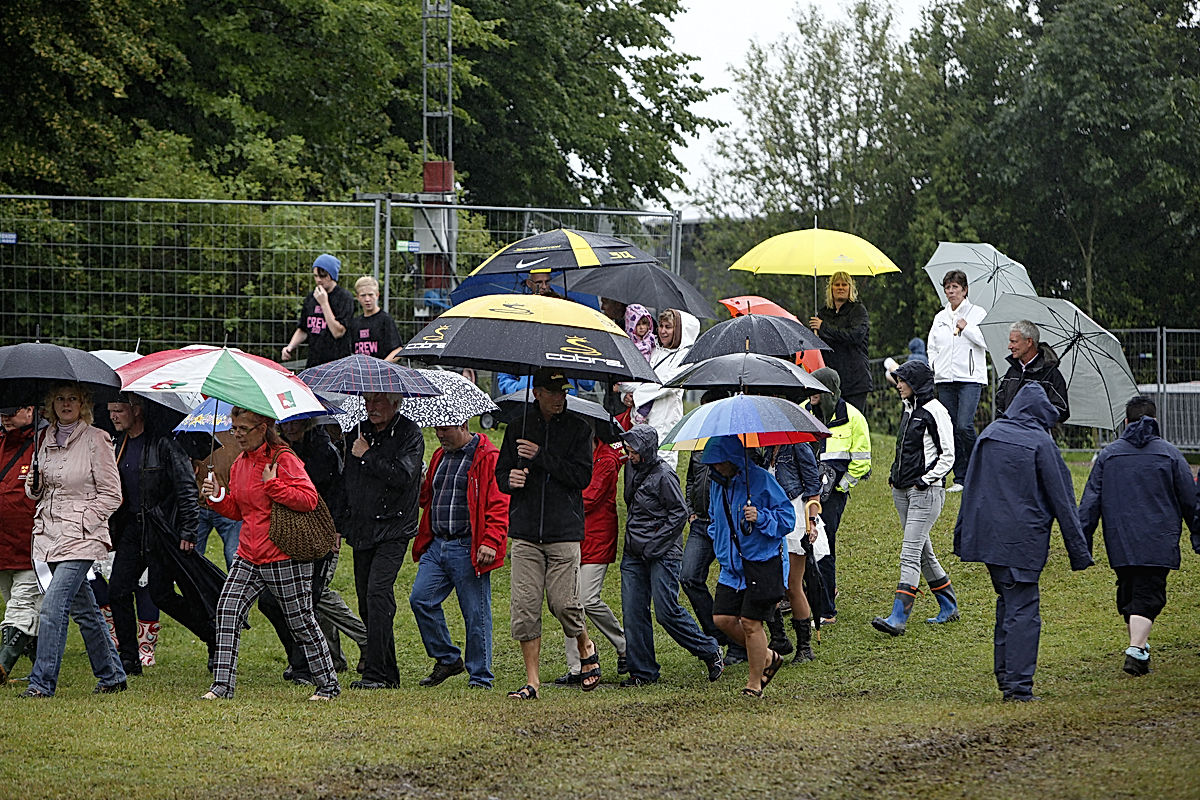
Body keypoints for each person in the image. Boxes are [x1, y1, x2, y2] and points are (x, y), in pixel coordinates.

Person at [954, 383, 1092, 701]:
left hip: (989, 541)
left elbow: (971, 489)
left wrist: (963, 537)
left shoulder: (989, 434)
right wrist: (1079, 552)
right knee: (1023, 610)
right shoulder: (1040, 441)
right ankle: (1017, 688)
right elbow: (1064, 499)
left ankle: (1007, 678)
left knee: (1007, 603)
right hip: (1022, 541)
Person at [200, 407, 339, 701]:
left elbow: (309, 499)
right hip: (248, 554)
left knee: (300, 620)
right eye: (234, 427)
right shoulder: (240, 463)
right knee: (227, 612)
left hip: (283, 554)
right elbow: (239, 510)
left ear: (262, 428)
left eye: (243, 428)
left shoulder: (284, 459)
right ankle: (222, 686)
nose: (236, 433)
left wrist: (273, 485)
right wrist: (217, 497)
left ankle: (328, 685)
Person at [495, 367, 600, 699]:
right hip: (525, 532)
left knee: (564, 604)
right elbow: (501, 473)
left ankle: (585, 645)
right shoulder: (517, 428)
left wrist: (541, 456)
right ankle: (532, 682)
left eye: (564, 392)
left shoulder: (579, 429)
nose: (560, 398)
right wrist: (510, 479)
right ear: (537, 393)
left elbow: (581, 476)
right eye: (553, 392)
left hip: (564, 531)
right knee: (525, 608)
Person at [1078, 395, 1200, 676]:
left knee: (1129, 593)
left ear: (1125, 422)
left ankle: (1139, 650)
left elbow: (1089, 504)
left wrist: (1082, 543)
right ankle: (1135, 651)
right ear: (1155, 421)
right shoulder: (1170, 454)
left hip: (1120, 539)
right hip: (1159, 539)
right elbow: (1190, 500)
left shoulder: (1108, 455)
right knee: (1148, 595)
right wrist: (1196, 534)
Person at [21, 383, 126, 698]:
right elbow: (37, 490)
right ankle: (112, 676)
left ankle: (41, 684)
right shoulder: (44, 440)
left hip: (81, 539)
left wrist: (84, 521)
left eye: (73, 399)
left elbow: (113, 494)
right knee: (86, 611)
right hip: (48, 537)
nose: (66, 404)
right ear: (51, 405)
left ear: (84, 404)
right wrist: (34, 486)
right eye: (60, 399)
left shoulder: (97, 439)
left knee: (53, 607)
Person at [107, 395, 222, 676]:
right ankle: (129, 660)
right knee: (118, 590)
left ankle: (213, 636)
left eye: (119, 410)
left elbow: (186, 487)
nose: (114, 417)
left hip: (162, 530)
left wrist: (188, 530)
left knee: (162, 594)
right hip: (132, 530)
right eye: (111, 411)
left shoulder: (166, 443)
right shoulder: (117, 444)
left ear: (137, 411)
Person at [618, 425, 723, 687]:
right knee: (633, 612)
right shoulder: (631, 468)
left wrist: (654, 544)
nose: (628, 455)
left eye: (633, 451)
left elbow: (678, 514)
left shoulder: (665, 475)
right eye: (627, 450)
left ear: (646, 450)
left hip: (663, 552)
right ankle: (643, 671)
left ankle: (709, 649)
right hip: (634, 551)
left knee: (666, 611)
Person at [409, 421, 509, 689]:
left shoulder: (488, 456)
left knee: (476, 613)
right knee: (421, 599)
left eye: (445, 430)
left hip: (468, 545)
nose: (439, 435)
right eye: (436, 430)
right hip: (438, 543)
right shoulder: (440, 456)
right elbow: (427, 498)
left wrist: (490, 541)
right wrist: (420, 484)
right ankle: (448, 658)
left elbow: (499, 503)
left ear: (463, 425)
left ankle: (480, 676)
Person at [341, 391, 424, 689]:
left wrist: (368, 455)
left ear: (395, 402)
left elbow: (403, 475)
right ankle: (388, 673)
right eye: (367, 401)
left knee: (378, 594)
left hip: (394, 528)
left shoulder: (409, 434)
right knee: (367, 601)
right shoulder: (358, 432)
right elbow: (348, 480)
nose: (371, 407)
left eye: (378, 401)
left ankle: (376, 673)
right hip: (362, 529)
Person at [871, 361, 959, 636]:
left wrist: (925, 480)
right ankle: (949, 606)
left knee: (909, 554)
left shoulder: (935, 411)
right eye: (898, 380)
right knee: (923, 554)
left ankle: (898, 618)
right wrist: (894, 475)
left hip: (925, 493)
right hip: (903, 491)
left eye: (903, 380)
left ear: (917, 383)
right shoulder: (909, 410)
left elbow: (948, 454)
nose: (898, 384)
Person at [703, 436, 795, 698]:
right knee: (721, 619)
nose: (716, 467)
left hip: (761, 564)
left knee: (751, 623)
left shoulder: (761, 480)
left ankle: (755, 684)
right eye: (713, 463)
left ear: (733, 459)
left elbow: (787, 519)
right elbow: (714, 518)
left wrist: (761, 517)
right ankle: (767, 655)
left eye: (720, 462)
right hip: (731, 568)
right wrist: (718, 539)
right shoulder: (716, 483)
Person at [277, 418, 366, 679]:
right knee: (313, 595)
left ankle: (365, 638)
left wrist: (336, 529)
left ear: (308, 424)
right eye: (285, 425)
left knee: (317, 592)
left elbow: (338, 494)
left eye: (296, 424)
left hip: (324, 531)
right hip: (297, 531)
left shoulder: (323, 452)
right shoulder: (286, 450)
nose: (290, 429)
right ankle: (334, 656)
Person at [555, 429, 627, 686]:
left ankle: (623, 644)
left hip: (597, 537)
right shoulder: (576, 454)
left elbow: (590, 498)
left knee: (587, 598)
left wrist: (559, 494)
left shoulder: (606, 459)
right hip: (574, 535)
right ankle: (577, 667)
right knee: (569, 601)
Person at [679, 390, 745, 664]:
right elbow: (691, 480)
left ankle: (741, 643)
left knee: (734, 582)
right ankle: (716, 636)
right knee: (688, 577)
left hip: (729, 524)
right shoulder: (698, 443)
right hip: (701, 524)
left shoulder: (737, 440)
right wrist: (691, 512)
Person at [805, 367, 871, 624]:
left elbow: (862, 461)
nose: (811, 393)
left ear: (829, 393)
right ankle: (820, 596)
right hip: (807, 492)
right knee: (810, 545)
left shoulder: (854, 418)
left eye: (817, 390)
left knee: (822, 546)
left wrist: (840, 487)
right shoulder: (804, 410)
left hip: (832, 497)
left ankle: (826, 611)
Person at [926, 269, 988, 491]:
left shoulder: (977, 313)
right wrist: (934, 365)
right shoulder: (940, 317)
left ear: (965, 290)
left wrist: (967, 328)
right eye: (948, 288)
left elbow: (986, 342)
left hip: (970, 378)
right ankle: (960, 477)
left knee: (964, 425)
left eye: (955, 287)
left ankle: (976, 470)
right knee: (949, 428)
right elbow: (932, 345)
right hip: (944, 379)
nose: (951, 292)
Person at [619, 308, 700, 471]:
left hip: (665, 418)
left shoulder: (685, 356)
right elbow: (639, 376)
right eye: (661, 326)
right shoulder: (654, 349)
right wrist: (624, 395)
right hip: (642, 417)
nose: (662, 331)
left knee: (663, 464)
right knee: (639, 462)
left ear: (678, 330)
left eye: (668, 327)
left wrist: (634, 393)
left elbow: (665, 384)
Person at [767, 437, 822, 662]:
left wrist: (812, 521)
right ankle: (780, 638)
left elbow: (813, 486)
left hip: (795, 515)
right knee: (772, 582)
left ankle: (804, 647)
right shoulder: (768, 446)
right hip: (773, 518)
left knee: (792, 584)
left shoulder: (798, 443)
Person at [0, 405, 44, 680]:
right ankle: (44, 665)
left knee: (21, 608)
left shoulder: (44, 445)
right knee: (13, 604)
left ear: (30, 410)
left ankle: (3, 666)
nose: (5, 415)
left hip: (32, 545)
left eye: (11, 410)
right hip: (2, 546)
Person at [809, 271, 872, 413]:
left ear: (850, 288)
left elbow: (854, 336)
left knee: (853, 422)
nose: (840, 288)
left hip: (855, 380)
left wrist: (824, 328)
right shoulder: (823, 313)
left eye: (844, 284)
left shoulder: (858, 311)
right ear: (830, 288)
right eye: (836, 284)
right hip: (831, 381)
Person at [281, 253, 356, 368]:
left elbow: (338, 332)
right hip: (314, 362)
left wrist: (324, 303)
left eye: (323, 276)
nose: (319, 280)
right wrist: (290, 347)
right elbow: (303, 329)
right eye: (316, 276)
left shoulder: (344, 298)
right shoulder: (311, 297)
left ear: (332, 275)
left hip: (337, 364)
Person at [995, 319, 1069, 424]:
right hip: (1008, 433)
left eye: (1014, 342)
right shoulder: (1012, 371)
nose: (1009, 347)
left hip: (1035, 436)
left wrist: (1033, 418)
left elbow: (1062, 411)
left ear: (1029, 342)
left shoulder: (1051, 375)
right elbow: (1000, 401)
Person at [349, 275, 401, 359]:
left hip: (381, 369)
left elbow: (397, 349)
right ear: (357, 297)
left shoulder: (385, 319)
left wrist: (382, 366)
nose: (367, 299)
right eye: (363, 295)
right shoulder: (355, 323)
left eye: (370, 295)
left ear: (377, 295)